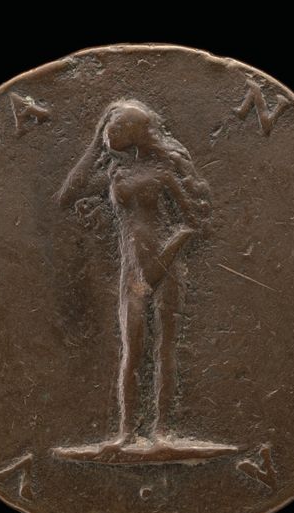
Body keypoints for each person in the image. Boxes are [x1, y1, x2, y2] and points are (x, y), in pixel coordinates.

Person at [54, 99, 210, 452]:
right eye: (110, 125)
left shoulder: (164, 173)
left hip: (166, 267)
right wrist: (95, 143)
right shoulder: (115, 173)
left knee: (164, 348)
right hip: (132, 269)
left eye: (121, 126)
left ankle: (162, 433)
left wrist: (164, 258)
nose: (112, 131)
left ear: (139, 133)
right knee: (132, 350)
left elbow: (194, 222)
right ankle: (126, 434)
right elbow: (67, 196)